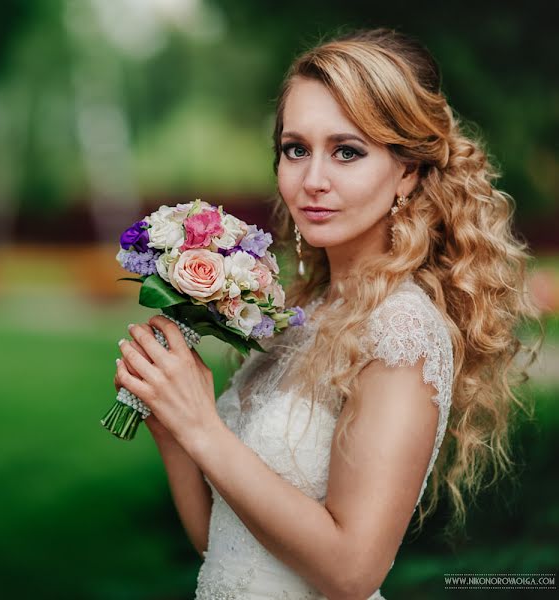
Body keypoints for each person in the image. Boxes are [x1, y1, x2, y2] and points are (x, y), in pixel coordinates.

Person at [113, 28, 543, 599]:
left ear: (408, 171)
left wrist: (203, 426)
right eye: (296, 149)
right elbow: (226, 541)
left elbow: (351, 572)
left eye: (347, 151)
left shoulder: (401, 331)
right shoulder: (304, 310)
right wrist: (172, 426)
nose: (313, 180)